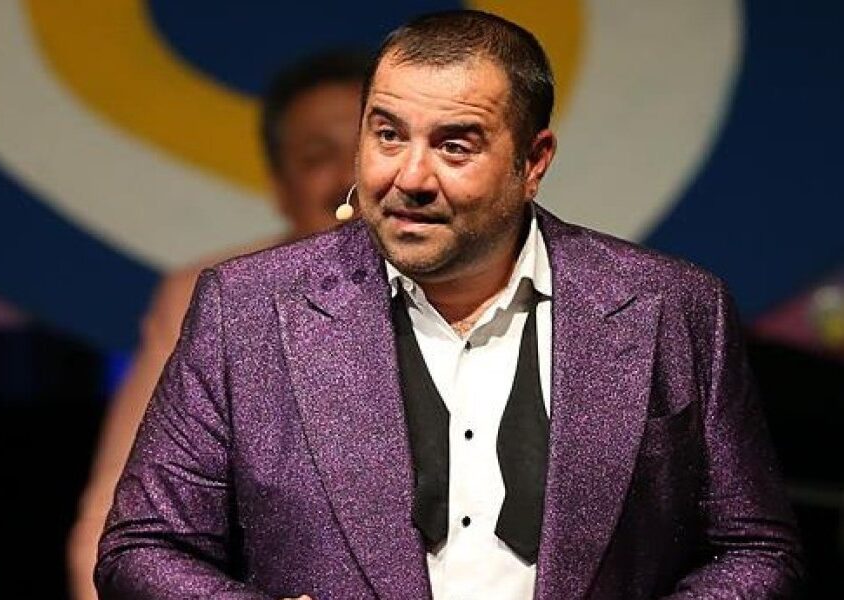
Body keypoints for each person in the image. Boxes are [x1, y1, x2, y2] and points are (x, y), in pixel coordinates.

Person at [96, 11, 804, 600]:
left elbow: (757, 552)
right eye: (387, 134)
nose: (410, 176)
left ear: (533, 161)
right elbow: (143, 548)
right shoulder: (248, 310)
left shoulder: (669, 308)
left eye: (454, 145)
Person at [67, 50, 369, 600]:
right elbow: (117, 527)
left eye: (368, 149)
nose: (349, 179)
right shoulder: (214, 299)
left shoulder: (479, 289)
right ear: (280, 187)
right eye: (317, 156)